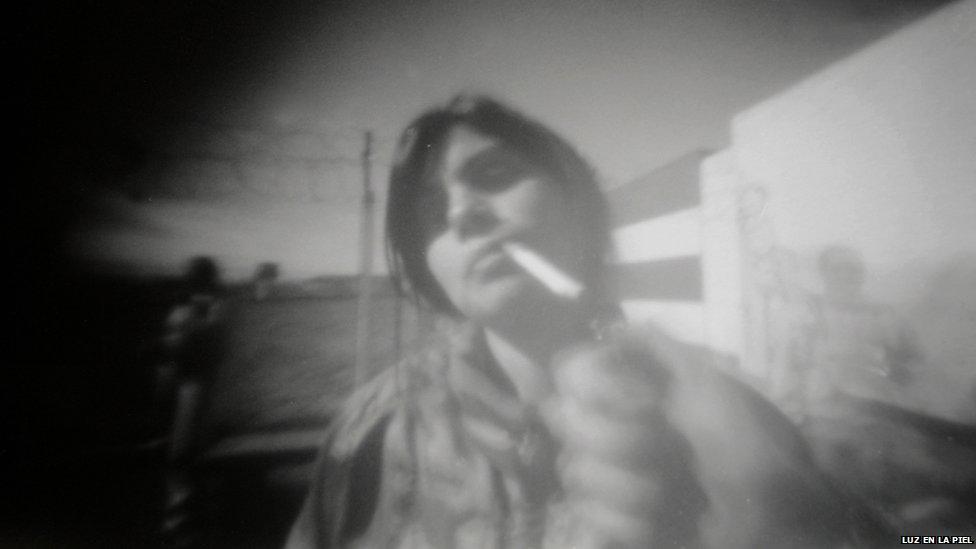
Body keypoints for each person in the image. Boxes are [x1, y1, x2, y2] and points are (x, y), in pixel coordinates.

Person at [286, 95, 887, 548]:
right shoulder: (370, 436)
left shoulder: (733, 429)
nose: (464, 213)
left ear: (577, 199)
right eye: (433, 212)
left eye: (493, 176)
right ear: (429, 269)